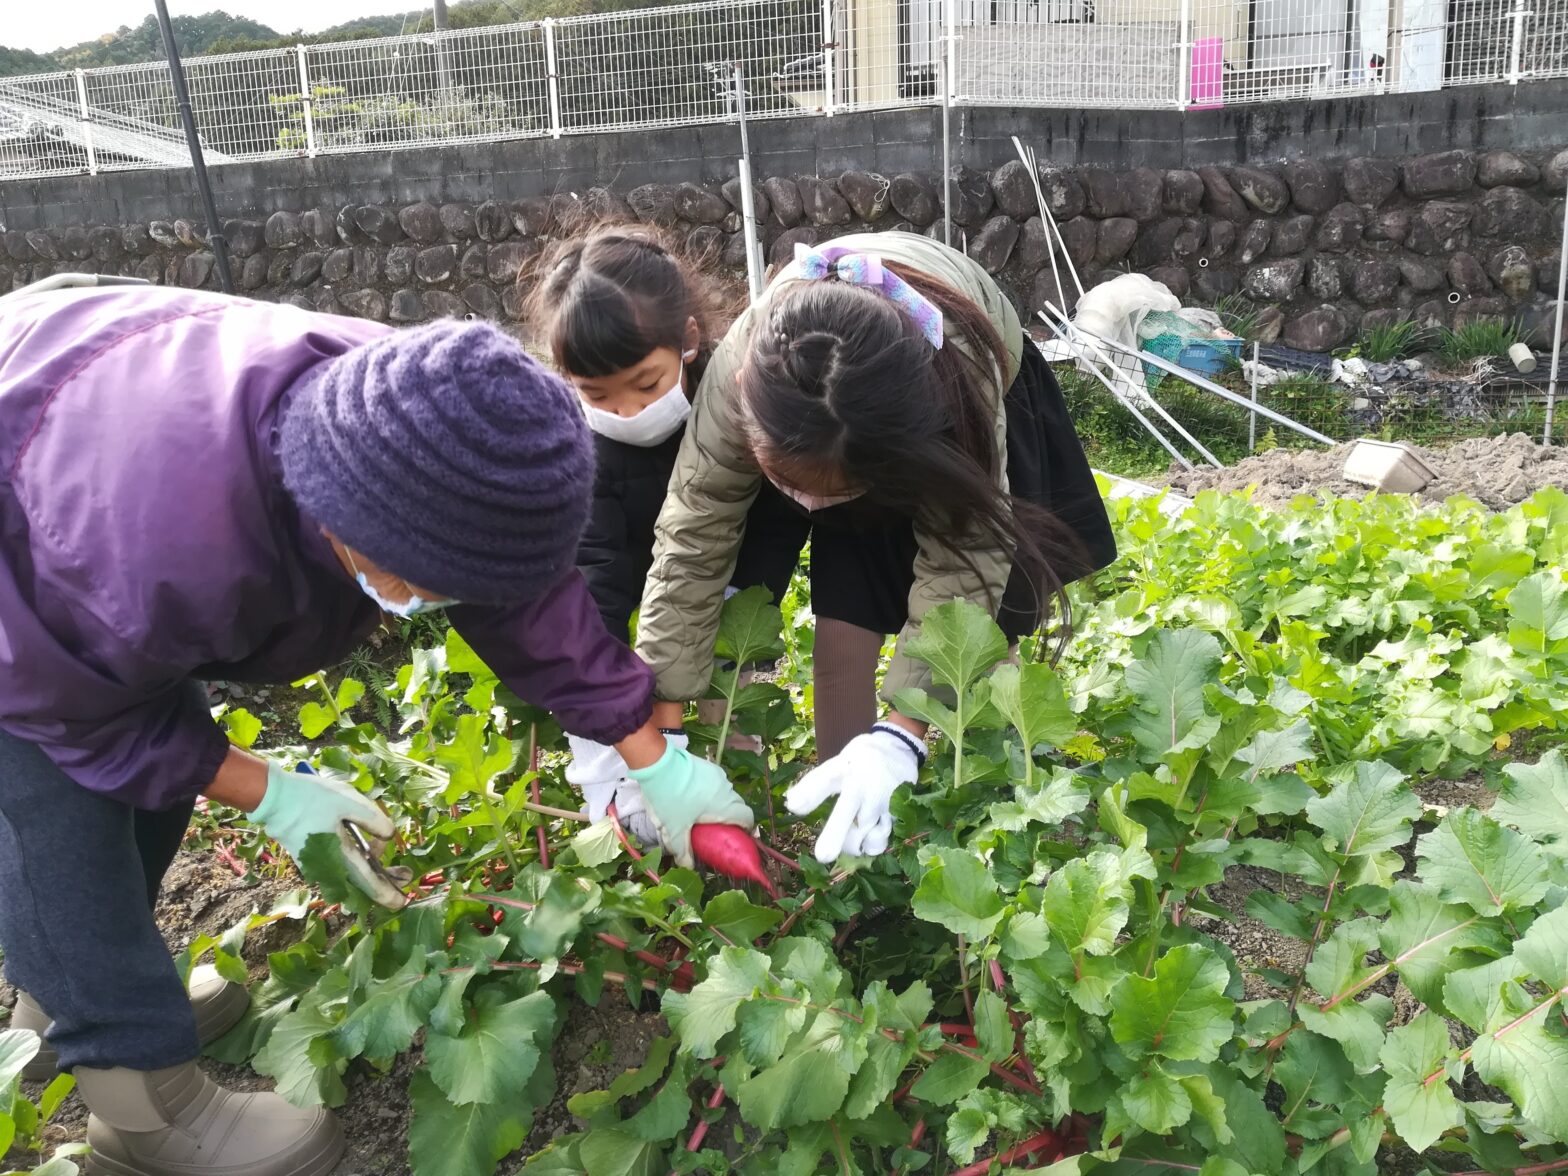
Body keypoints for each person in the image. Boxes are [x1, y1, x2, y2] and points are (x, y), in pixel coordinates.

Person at [0, 284, 750, 1176]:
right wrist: (267, 791)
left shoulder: (423, 415)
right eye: (413, 580)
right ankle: (142, 1106)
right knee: (58, 808)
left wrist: (651, 755)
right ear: (338, 517)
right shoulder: (159, 539)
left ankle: (61, 1008)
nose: (422, 604)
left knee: (153, 774)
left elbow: (515, 582)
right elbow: (69, 704)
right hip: (29, 552)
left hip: (93, 396)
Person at [635, 232, 1118, 864]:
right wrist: (661, 742)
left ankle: (1009, 806)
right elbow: (691, 542)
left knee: (989, 632)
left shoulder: (959, 385)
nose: (808, 509)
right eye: (789, 486)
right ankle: (849, 836)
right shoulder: (740, 379)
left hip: (937, 401)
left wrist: (901, 737)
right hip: (833, 420)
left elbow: (965, 565)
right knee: (845, 628)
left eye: (833, 495)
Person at [524, 229, 793, 839]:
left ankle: (747, 808)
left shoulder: (739, 398)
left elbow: (779, 516)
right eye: (595, 394)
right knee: (633, 705)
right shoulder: (581, 446)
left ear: (690, 341)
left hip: (733, 576)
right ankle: (639, 820)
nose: (624, 411)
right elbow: (596, 567)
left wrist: (743, 593)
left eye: (646, 385)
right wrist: (602, 699)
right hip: (638, 586)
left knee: (733, 699)